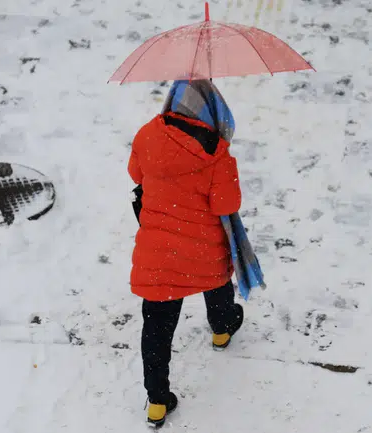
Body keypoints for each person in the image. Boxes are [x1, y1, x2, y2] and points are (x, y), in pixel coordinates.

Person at [128, 79, 244, 428]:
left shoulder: (148, 134)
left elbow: (136, 173)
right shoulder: (217, 151)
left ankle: (157, 401)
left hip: (158, 253)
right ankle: (222, 329)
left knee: (157, 326)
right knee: (217, 277)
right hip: (202, 248)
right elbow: (227, 204)